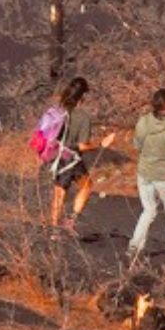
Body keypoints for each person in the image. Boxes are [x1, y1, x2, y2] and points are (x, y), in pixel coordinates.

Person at [47, 75, 114, 233]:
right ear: (82, 96)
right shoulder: (82, 117)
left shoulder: (57, 110)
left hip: (54, 156)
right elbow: (83, 145)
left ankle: (53, 231)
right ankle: (70, 222)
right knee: (87, 185)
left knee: (59, 193)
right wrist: (100, 144)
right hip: (71, 159)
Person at [127, 88, 165, 260]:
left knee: (148, 210)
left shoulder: (143, 121)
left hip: (144, 173)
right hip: (163, 176)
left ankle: (134, 247)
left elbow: (137, 145)